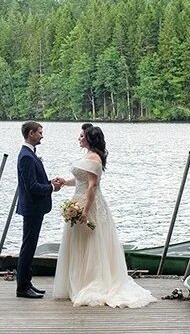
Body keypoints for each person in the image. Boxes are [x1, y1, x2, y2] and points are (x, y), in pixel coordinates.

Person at [52, 125, 155, 307]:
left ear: (90, 139)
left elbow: (92, 186)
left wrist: (84, 211)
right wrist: (65, 182)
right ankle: (79, 281)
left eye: (82, 136)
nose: (79, 138)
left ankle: (92, 281)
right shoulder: (88, 156)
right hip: (79, 200)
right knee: (79, 243)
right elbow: (81, 181)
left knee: (91, 243)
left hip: (89, 205)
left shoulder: (94, 158)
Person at [15, 120, 64, 299]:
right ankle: (22, 287)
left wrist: (50, 182)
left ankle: (27, 283)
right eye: (40, 132)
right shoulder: (26, 156)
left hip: (34, 208)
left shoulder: (29, 154)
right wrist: (52, 188)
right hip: (32, 208)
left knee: (30, 245)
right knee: (28, 247)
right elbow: (32, 187)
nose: (42, 136)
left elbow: (36, 181)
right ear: (31, 134)